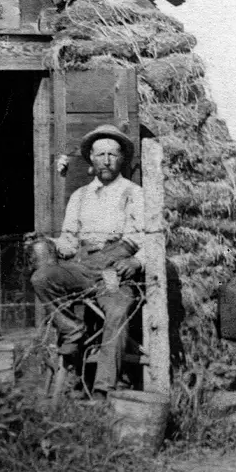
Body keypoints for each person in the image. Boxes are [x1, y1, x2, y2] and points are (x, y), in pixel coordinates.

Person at [32, 124, 145, 399]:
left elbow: (149, 237)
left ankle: (104, 388)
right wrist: (48, 241)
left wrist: (137, 262)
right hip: (83, 265)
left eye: (113, 154)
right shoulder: (80, 196)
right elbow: (69, 242)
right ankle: (73, 331)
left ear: (122, 159)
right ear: (91, 159)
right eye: (100, 154)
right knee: (42, 278)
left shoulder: (133, 193)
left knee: (118, 311)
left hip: (115, 269)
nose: (106, 160)